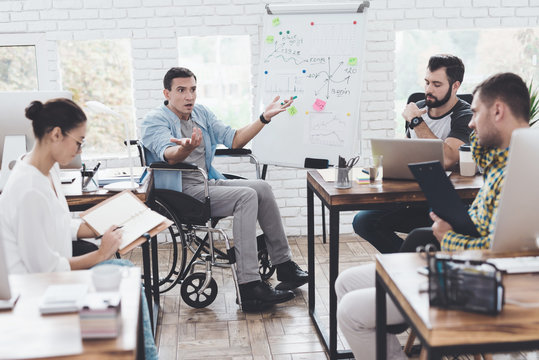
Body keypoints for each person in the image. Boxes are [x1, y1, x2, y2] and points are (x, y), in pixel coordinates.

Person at [335, 72, 531, 360]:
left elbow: (500, 255)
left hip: (477, 280)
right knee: (346, 282)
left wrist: (446, 236)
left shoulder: (520, 171)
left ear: (498, 111)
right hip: (458, 263)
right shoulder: (504, 158)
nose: (471, 123)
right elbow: (475, 152)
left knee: (351, 311)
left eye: (476, 113)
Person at [0, 98, 158, 360]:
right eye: (78, 141)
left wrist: (104, 224)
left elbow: (59, 223)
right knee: (124, 276)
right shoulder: (29, 189)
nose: (79, 150)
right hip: (35, 292)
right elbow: (45, 269)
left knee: (126, 276)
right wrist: (101, 254)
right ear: (56, 134)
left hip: (50, 281)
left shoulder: (45, 171)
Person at [141, 67, 308, 311]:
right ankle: (249, 286)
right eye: (181, 90)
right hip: (179, 193)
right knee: (247, 196)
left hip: (205, 183)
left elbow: (234, 139)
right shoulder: (154, 120)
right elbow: (169, 155)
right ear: (166, 93)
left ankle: (284, 265)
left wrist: (264, 118)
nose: (189, 96)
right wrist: (185, 148)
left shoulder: (201, 113)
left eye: (193, 89)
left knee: (262, 187)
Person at [353, 54, 473, 254]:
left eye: (436, 84)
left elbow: (448, 158)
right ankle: (409, 260)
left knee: (427, 227)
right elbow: (407, 153)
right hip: (412, 196)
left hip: (445, 201)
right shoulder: (417, 108)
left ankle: (409, 264)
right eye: (426, 82)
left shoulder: (464, 115)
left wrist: (417, 122)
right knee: (363, 220)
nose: (428, 90)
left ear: (455, 86)